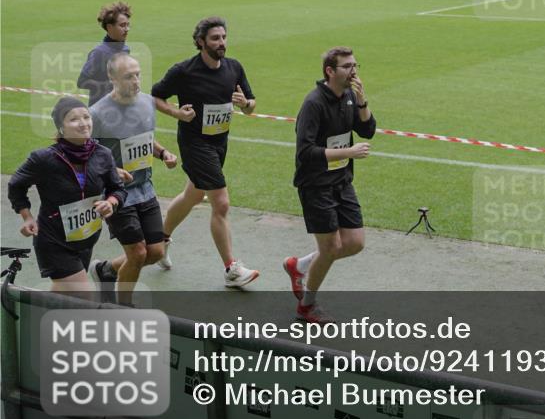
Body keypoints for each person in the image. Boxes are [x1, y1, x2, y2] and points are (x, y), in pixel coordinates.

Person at [150, 17, 259, 288]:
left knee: (193, 195)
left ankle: (161, 239)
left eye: (223, 37)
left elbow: (251, 105)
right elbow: (155, 96)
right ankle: (231, 269)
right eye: (215, 38)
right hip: (194, 143)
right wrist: (177, 113)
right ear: (200, 42)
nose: (221, 43)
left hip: (219, 142)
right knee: (220, 202)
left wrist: (245, 103)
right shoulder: (184, 71)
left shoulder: (234, 68)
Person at [286, 47, 375, 323]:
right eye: (347, 66)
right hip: (315, 185)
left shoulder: (349, 96)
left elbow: (368, 130)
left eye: (355, 65)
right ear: (330, 71)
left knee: (355, 242)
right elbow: (306, 153)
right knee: (330, 248)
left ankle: (299, 266)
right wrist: (348, 153)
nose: (354, 71)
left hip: (341, 181)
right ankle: (307, 306)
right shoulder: (313, 103)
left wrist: (362, 103)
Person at [8, 97, 126, 294]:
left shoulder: (103, 154)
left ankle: (34, 320)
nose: (83, 123)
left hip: (86, 240)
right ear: (61, 127)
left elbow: (118, 188)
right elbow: (16, 185)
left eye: (86, 117)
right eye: (73, 119)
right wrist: (26, 216)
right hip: (54, 241)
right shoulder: (44, 159)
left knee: (62, 296)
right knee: (85, 297)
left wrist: (111, 202)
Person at [87, 53, 178, 304]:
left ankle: (105, 270)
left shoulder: (147, 103)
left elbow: (145, 139)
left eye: (138, 74)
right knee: (137, 254)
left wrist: (163, 153)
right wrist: (110, 171)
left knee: (156, 251)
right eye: (128, 76)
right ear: (112, 78)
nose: (136, 81)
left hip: (145, 189)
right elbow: (83, 154)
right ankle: (122, 307)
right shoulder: (97, 114)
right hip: (116, 194)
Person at [78, 1, 131, 104]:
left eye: (128, 25)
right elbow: (82, 82)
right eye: (122, 25)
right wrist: (110, 86)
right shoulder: (99, 53)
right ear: (110, 27)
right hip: (100, 110)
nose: (127, 29)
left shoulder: (125, 49)